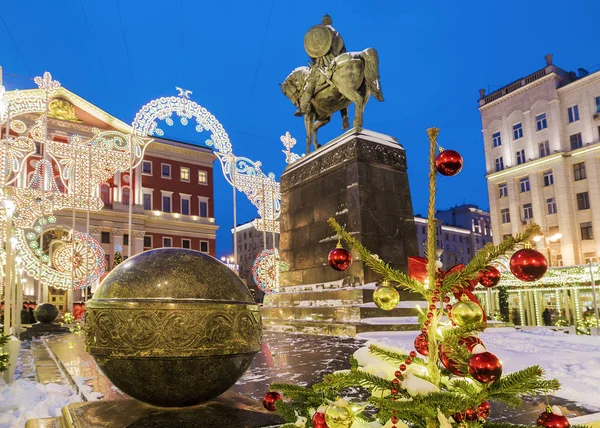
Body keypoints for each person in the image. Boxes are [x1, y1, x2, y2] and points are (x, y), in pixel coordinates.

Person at [295, 14, 346, 116]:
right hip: (338, 60)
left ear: (323, 22)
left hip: (324, 64)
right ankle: (345, 116)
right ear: (330, 22)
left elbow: (313, 53)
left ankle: (303, 107)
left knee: (311, 83)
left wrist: (315, 60)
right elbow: (343, 49)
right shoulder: (337, 33)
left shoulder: (321, 32)